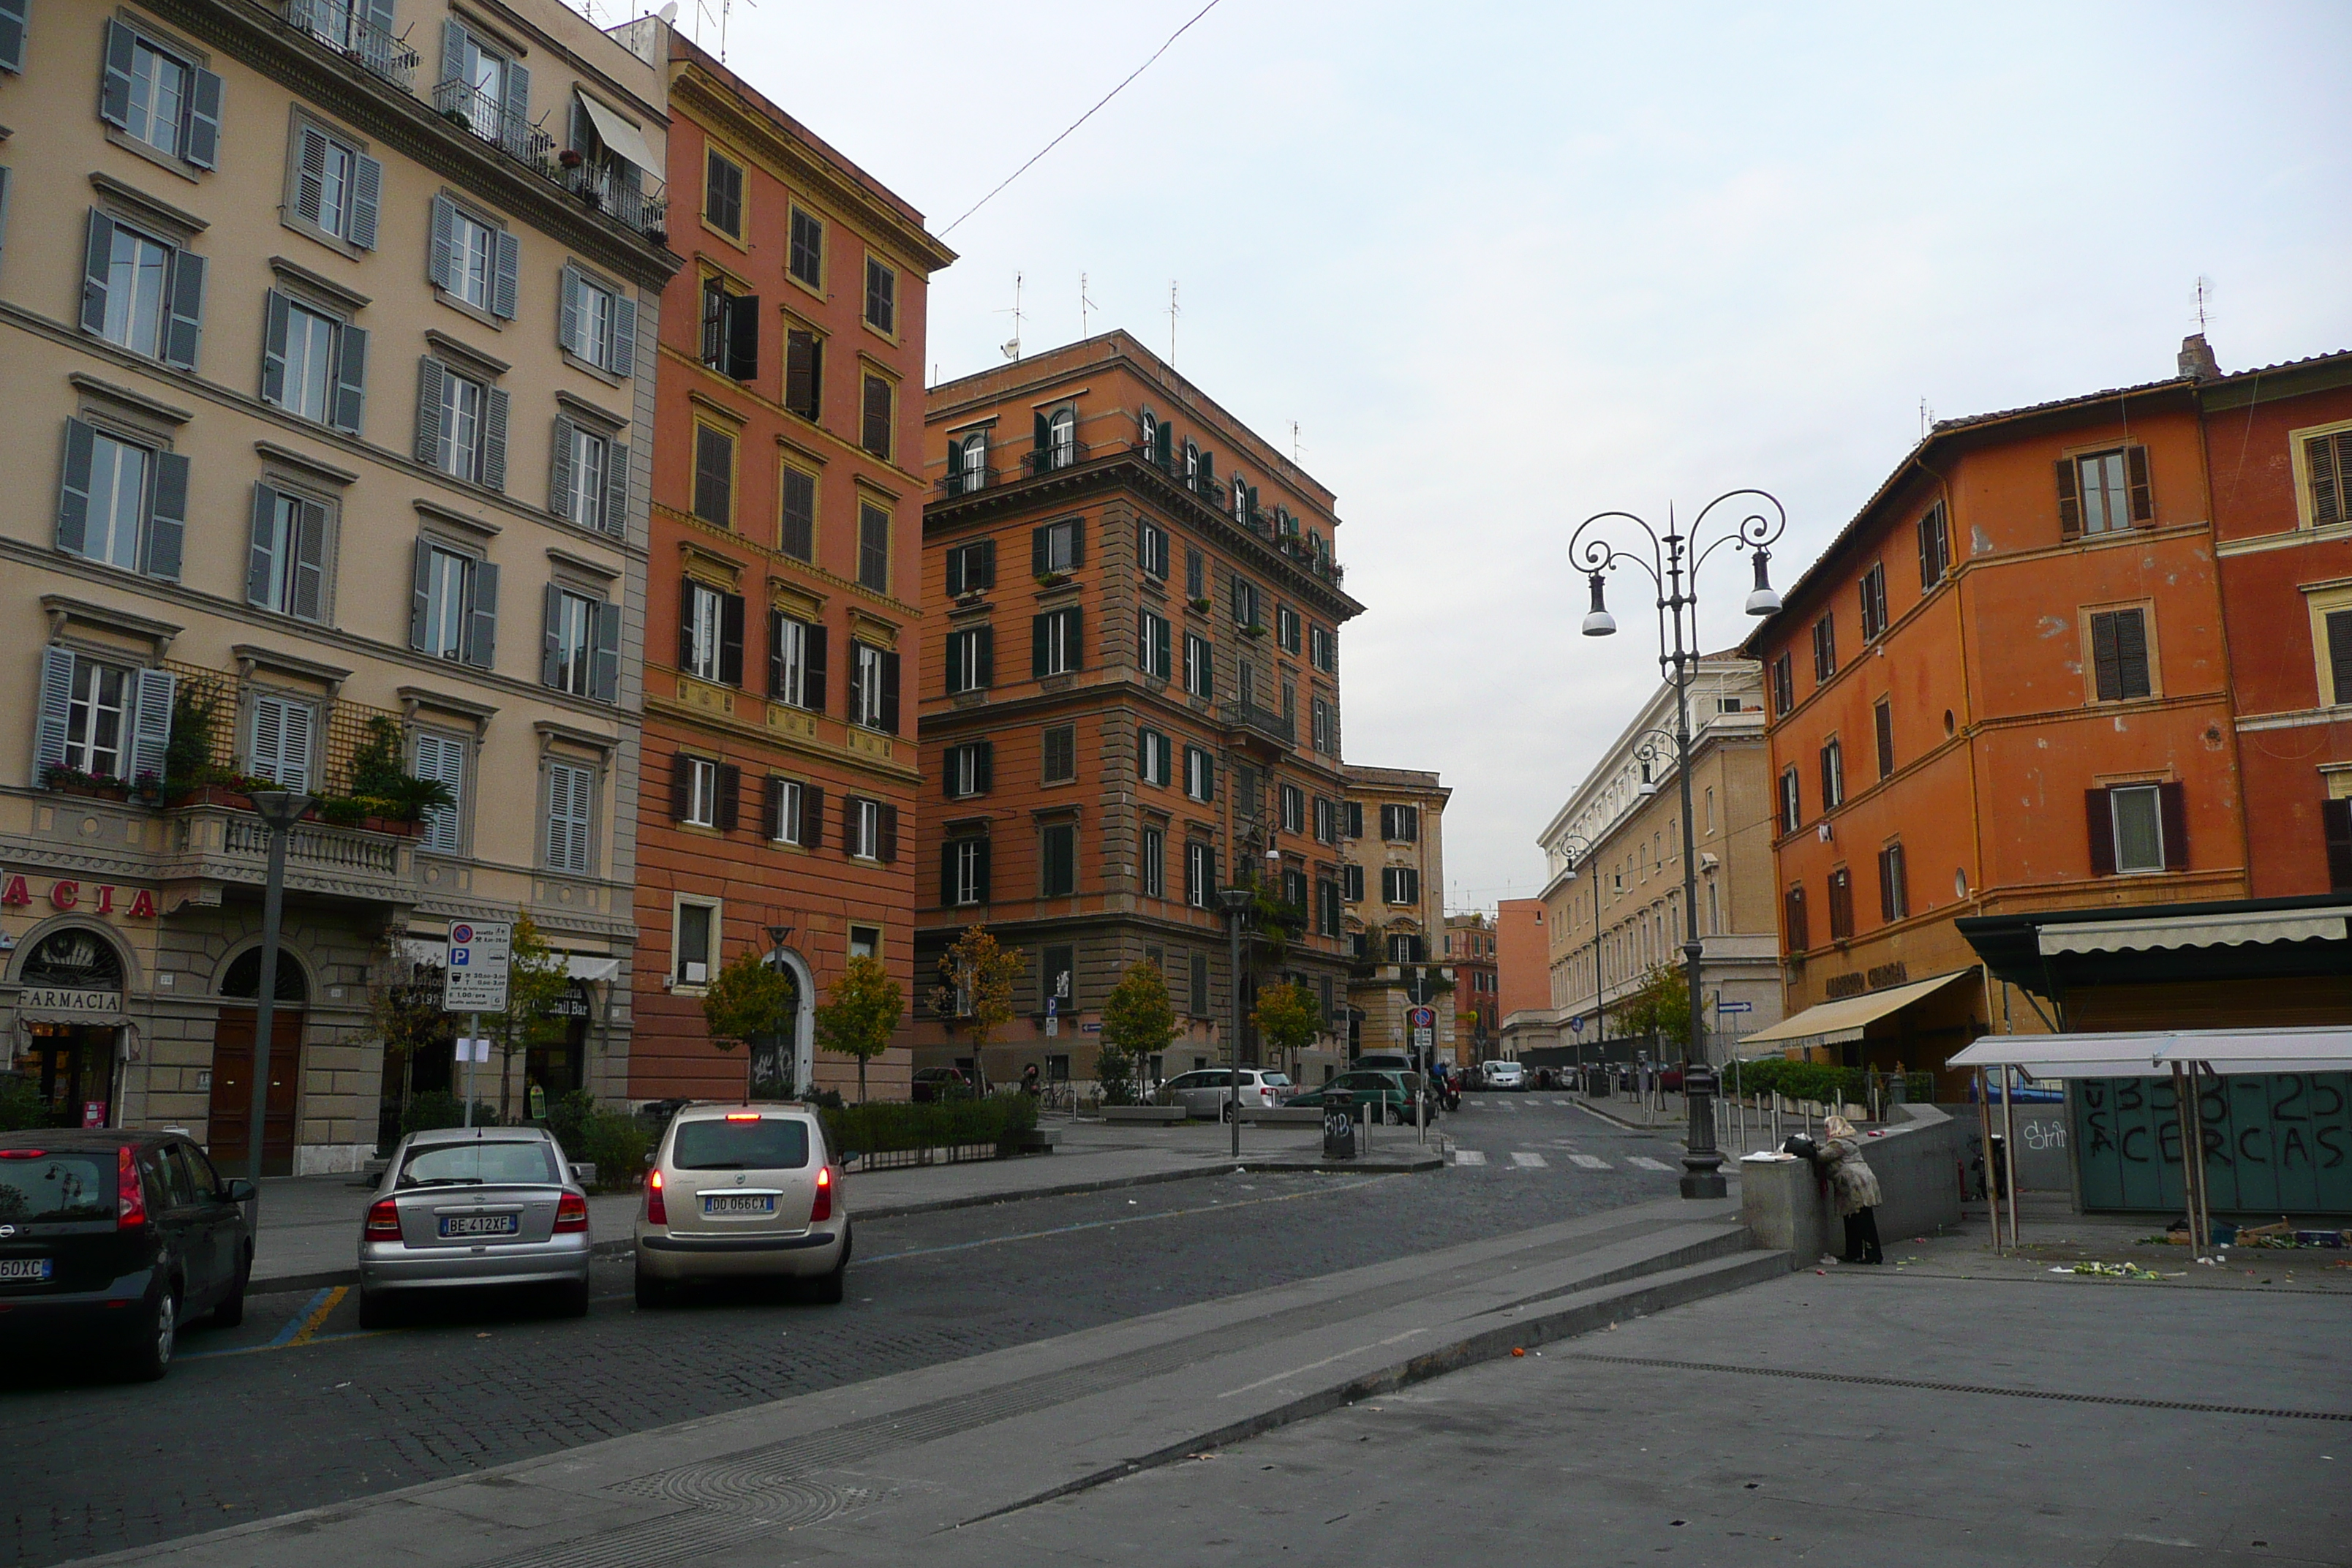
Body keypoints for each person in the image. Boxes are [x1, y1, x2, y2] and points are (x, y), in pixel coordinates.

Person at [1816, 1115, 1884, 1264]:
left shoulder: (1838, 1143)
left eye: (1827, 1127)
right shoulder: (1847, 1141)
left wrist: (1807, 1148)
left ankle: (1870, 1254)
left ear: (1835, 1128)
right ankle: (1856, 1252)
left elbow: (1821, 1156)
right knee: (1854, 1217)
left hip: (1854, 1183)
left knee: (1861, 1219)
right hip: (1861, 1181)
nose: (1825, 1131)